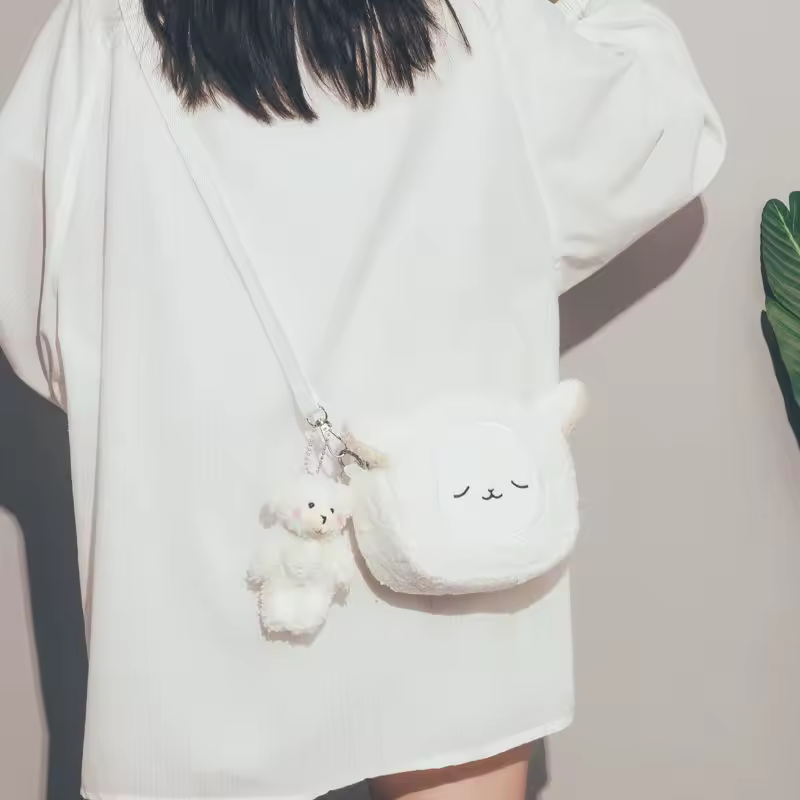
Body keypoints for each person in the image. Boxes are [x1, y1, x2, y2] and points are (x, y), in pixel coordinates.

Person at [0, 0, 724, 798]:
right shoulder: (477, 15)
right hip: (447, 526)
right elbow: (661, 131)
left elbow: (40, 310)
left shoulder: (100, 29)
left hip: (199, 562)